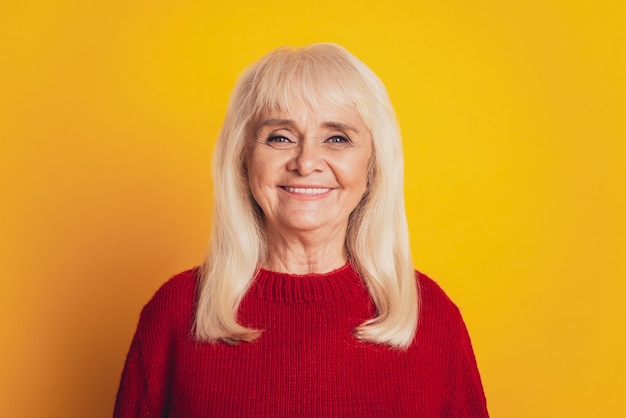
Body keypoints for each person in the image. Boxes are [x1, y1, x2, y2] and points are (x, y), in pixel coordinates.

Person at [114, 43, 489, 417]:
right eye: (280, 136)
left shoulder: (432, 317)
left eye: (337, 138)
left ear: (373, 165)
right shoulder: (176, 314)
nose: (306, 162)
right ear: (244, 160)